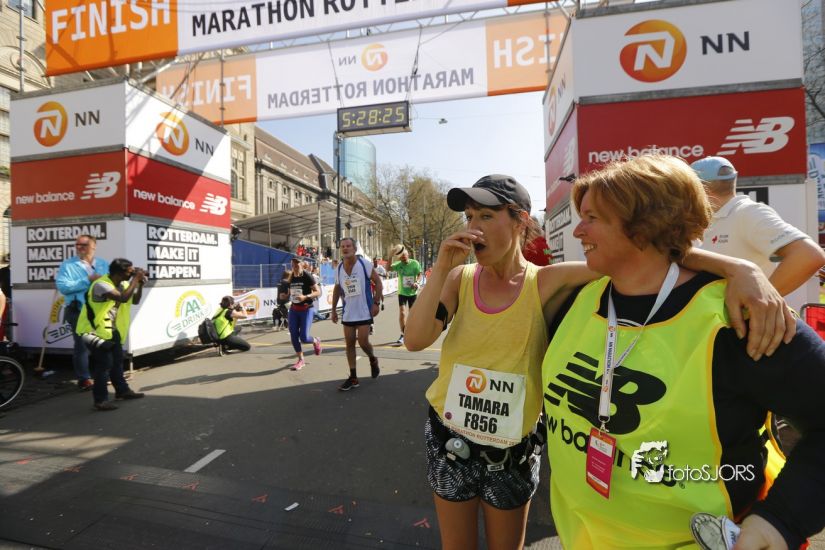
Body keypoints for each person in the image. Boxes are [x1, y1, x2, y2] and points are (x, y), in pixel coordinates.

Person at [403, 174, 795, 550]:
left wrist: (738, 268)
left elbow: (642, 256)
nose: (474, 228)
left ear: (520, 220)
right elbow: (416, 340)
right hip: (450, 437)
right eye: (470, 217)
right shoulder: (460, 279)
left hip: (510, 450)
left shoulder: (547, 281)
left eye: (487, 216)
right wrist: (443, 267)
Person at [541, 155, 824, 549]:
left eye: (593, 218)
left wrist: (780, 520)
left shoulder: (736, 321)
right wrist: (736, 266)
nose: (578, 229)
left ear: (644, 225)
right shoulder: (572, 298)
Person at [691, 156, 825, 297]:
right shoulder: (716, 217)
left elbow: (809, 255)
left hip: (742, 312)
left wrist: (759, 301)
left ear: (701, 188)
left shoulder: (747, 212)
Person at [75, 258, 146, 411]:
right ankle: (100, 400)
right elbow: (122, 298)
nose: (132, 274)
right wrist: (135, 279)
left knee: (117, 361)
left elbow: (134, 300)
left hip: (111, 330)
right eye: (130, 272)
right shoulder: (101, 284)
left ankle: (122, 391)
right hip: (94, 330)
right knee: (104, 364)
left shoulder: (124, 284)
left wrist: (140, 284)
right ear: (119, 273)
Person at [56, 234, 109, 390]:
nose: (79, 247)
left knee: (102, 345)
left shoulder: (103, 263)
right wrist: (88, 280)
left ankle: (102, 375)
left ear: (94, 246)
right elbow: (63, 287)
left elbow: (111, 283)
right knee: (82, 346)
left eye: (84, 245)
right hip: (78, 310)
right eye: (77, 244)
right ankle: (84, 379)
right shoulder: (68, 265)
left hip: (100, 310)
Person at [331, 237, 383, 391]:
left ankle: (372, 359)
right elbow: (337, 289)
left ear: (354, 249)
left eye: (348, 246)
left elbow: (378, 282)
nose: (345, 248)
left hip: (364, 310)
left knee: (363, 342)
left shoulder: (364, 264)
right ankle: (353, 377)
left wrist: (376, 302)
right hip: (348, 312)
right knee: (349, 344)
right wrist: (333, 310)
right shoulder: (339, 268)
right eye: (343, 246)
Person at [281, 258, 321, 371]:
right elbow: (291, 292)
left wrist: (305, 297)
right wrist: (285, 296)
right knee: (293, 335)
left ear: (302, 265)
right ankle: (301, 360)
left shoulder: (307, 276)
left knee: (304, 337)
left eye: (297, 264)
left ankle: (315, 341)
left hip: (306, 309)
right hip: (294, 309)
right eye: (293, 264)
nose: (295, 266)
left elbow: (318, 291)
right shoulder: (291, 276)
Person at [390, 246, 422, 345]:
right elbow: (387, 268)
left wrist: (417, 282)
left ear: (408, 255)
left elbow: (419, 274)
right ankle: (403, 334)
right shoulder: (399, 265)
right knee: (402, 313)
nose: (403, 259)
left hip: (412, 293)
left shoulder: (415, 263)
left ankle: (412, 332)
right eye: (401, 258)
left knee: (412, 314)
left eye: (404, 257)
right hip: (402, 293)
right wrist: (390, 256)